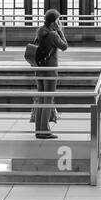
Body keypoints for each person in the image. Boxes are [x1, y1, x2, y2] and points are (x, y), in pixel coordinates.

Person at [31, 9, 69, 139]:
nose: (59, 23)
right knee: (48, 99)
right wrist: (60, 31)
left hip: (39, 69)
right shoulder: (53, 35)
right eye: (58, 21)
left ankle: (38, 130)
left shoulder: (40, 31)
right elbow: (65, 46)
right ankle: (45, 131)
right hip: (50, 70)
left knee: (42, 99)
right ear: (53, 22)